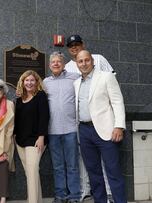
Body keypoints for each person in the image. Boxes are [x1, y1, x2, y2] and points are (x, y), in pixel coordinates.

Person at [64, 34, 114, 202]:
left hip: (103, 121)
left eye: (77, 44)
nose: (74, 47)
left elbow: (113, 84)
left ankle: (109, 192)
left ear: (83, 45)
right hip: (83, 124)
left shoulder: (98, 59)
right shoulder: (67, 67)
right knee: (88, 162)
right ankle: (87, 190)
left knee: (108, 163)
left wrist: (116, 121)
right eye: (71, 46)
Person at [74, 50, 126, 203]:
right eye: (80, 61)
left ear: (92, 61)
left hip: (107, 131)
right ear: (77, 64)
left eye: (86, 60)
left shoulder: (106, 77)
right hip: (84, 131)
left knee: (113, 172)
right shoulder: (76, 83)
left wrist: (119, 126)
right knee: (93, 173)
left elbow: (117, 101)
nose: (84, 64)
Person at [43, 52, 80, 203]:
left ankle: (75, 196)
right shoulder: (45, 82)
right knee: (58, 166)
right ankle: (60, 195)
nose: (56, 64)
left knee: (72, 166)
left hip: (71, 129)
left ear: (64, 64)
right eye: (53, 62)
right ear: (49, 65)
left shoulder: (75, 78)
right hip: (53, 131)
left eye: (59, 61)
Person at [14, 70, 50, 203]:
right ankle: (37, 200)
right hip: (20, 141)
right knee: (31, 174)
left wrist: (41, 137)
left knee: (32, 172)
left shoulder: (40, 96)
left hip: (35, 141)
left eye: (32, 80)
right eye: (26, 80)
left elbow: (44, 117)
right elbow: (17, 120)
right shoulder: (19, 99)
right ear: (22, 82)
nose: (29, 83)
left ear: (37, 82)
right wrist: (14, 137)